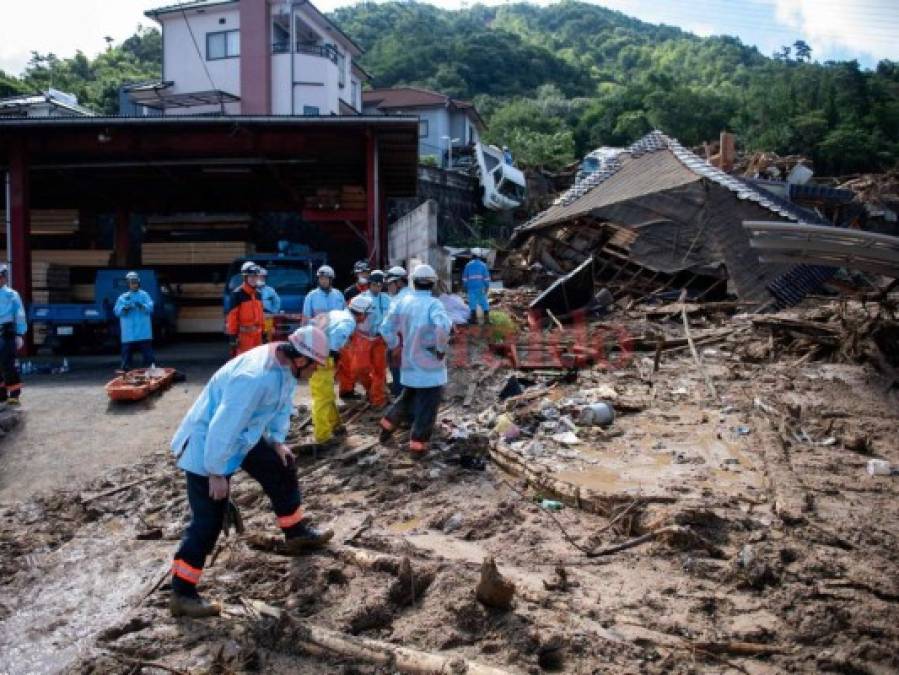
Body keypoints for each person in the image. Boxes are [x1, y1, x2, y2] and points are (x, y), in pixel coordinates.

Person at [169, 326, 334, 618]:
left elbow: (280, 406)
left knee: (281, 466)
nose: (315, 372)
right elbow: (223, 426)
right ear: (300, 359)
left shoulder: (284, 368)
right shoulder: (254, 377)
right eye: (316, 366)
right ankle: (182, 593)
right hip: (207, 448)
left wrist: (276, 441)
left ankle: (295, 533)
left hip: (243, 437)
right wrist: (216, 473)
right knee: (208, 522)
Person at [379, 264, 452, 455]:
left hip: (410, 363)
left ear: (413, 282)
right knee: (427, 408)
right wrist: (441, 349)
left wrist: (395, 344)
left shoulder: (403, 302)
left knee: (407, 397)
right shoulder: (433, 304)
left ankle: (386, 427)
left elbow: (385, 328)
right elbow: (443, 328)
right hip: (430, 369)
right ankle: (418, 447)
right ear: (433, 283)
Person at [308, 306, 357, 447]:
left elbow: (313, 322)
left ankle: (335, 424)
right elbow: (339, 334)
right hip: (322, 356)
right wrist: (334, 352)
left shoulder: (336, 312)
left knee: (327, 393)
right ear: (361, 315)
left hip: (315, 351)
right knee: (322, 398)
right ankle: (322, 436)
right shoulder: (349, 321)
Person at [346, 274, 390, 407]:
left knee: (379, 370)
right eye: (374, 284)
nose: (377, 287)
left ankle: (378, 400)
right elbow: (350, 316)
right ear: (369, 284)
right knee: (359, 369)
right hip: (362, 338)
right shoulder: (359, 299)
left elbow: (392, 318)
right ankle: (371, 390)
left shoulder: (387, 299)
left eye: (379, 285)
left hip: (380, 338)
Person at [113, 271, 156, 372]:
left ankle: (151, 371)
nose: (134, 284)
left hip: (143, 332)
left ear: (139, 282)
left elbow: (151, 308)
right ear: (128, 283)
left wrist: (142, 306)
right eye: (131, 282)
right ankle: (126, 371)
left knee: (148, 355)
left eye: (135, 282)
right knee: (126, 356)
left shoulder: (144, 295)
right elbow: (116, 311)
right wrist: (125, 309)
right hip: (129, 333)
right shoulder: (123, 297)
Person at [0, 264, 26, 406]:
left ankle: (14, 393)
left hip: (7, 330)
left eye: (1, 277)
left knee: (6, 362)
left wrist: (19, 333)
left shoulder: (12, 294)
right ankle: (1, 393)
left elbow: (20, 314)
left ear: (4, 278)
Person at [226, 262, 265, 356]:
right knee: (244, 364)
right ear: (245, 277)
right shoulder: (237, 294)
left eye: (255, 276)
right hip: (244, 338)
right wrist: (232, 338)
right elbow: (232, 318)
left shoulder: (258, 294)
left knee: (258, 363)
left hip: (258, 337)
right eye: (250, 276)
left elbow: (261, 316)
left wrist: (264, 333)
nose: (253, 279)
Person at [384, 266, 410, 397]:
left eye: (390, 283)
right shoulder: (415, 296)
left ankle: (400, 399)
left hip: (399, 342)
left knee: (398, 375)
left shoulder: (397, 301)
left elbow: (386, 328)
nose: (388, 287)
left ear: (399, 282)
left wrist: (393, 345)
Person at [461, 252, 491, 325]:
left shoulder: (468, 265)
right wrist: (487, 286)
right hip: (480, 287)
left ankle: (473, 320)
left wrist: (465, 286)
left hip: (471, 288)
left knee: (472, 303)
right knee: (483, 302)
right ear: (479, 256)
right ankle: (487, 320)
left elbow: (465, 278)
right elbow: (486, 278)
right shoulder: (483, 265)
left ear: (472, 256)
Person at [256, 267, 280, 342]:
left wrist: (274, 312)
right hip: (255, 319)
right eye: (259, 276)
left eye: (263, 277)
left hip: (268, 317)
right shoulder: (251, 290)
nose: (261, 278)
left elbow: (277, 302)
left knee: (268, 337)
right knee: (257, 337)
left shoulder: (270, 290)